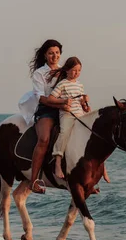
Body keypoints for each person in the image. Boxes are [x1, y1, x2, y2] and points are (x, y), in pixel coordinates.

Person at [17, 39, 71, 194]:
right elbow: (41, 98)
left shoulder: (64, 71)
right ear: (45, 55)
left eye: (57, 53)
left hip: (64, 108)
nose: (54, 56)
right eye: (51, 53)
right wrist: (61, 103)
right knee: (44, 139)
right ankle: (33, 181)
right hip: (46, 110)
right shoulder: (39, 73)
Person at [47, 57, 109, 189]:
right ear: (67, 70)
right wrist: (63, 102)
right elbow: (51, 98)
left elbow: (84, 106)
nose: (76, 73)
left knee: (94, 135)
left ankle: (102, 167)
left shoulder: (80, 85)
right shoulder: (62, 84)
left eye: (79, 70)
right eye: (74, 70)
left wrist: (85, 102)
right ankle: (58, 163)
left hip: (80, 115)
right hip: (68, 114)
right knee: (64, 133)